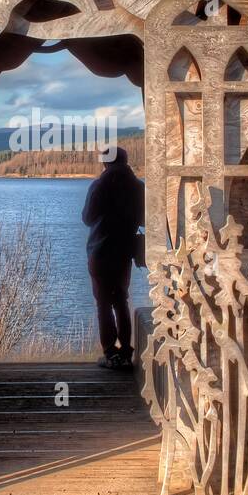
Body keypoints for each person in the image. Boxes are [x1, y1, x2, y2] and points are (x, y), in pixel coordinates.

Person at [81, 145, 144, 371]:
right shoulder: (137, 187)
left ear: (105, 163)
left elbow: (87, 218)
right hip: (124, 252)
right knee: (121, 300)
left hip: (100, 251)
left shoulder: (100, 185)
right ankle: (126, 351)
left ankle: (110, 353)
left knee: (103, 302)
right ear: (126, 161)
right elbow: (146, 219)